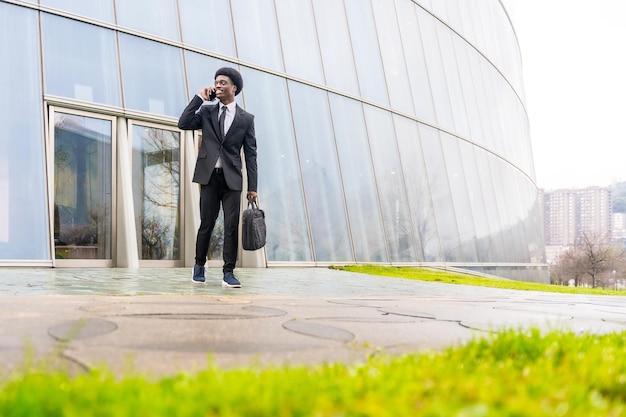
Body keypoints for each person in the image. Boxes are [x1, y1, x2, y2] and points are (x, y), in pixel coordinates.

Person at [178, 67, 258, 288]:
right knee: (207, 223)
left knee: (231, 226)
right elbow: (183, 123)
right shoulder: (207, 112)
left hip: (233, 180)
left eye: (223, 82)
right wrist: (199, 98)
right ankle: (199, 266)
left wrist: (253, 187)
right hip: (210, 177)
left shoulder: (246, 119)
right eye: (216, 82)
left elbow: (251, 154)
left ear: (234, 87)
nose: (218, 85)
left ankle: (228, 272)